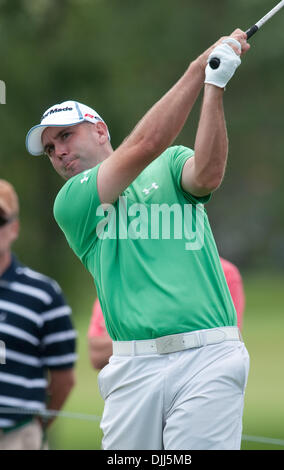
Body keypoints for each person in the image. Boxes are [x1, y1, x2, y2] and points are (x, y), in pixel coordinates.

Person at [25, 29, 251, 450]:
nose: (57, 151)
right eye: (50, 147)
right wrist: (198, 69)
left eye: (65, 136)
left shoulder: (170, 164)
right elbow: (146, 143)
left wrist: (215, 88)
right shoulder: (72, 202)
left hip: (209, 356)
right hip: (133, 365)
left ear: (99, 130)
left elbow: (207, 175)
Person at [0, 180, 77, 450]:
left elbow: (63, 380)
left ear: (14, 228)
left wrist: (36, 427)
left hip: (18, 435)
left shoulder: (44, 294)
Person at [88, 257, 245, 370]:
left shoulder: (221, 271)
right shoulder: (122, 272)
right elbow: (96, 353)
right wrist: (182, 333)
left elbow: (224, 341)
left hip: (199, 383)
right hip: (134, 385)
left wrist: (134, 335)